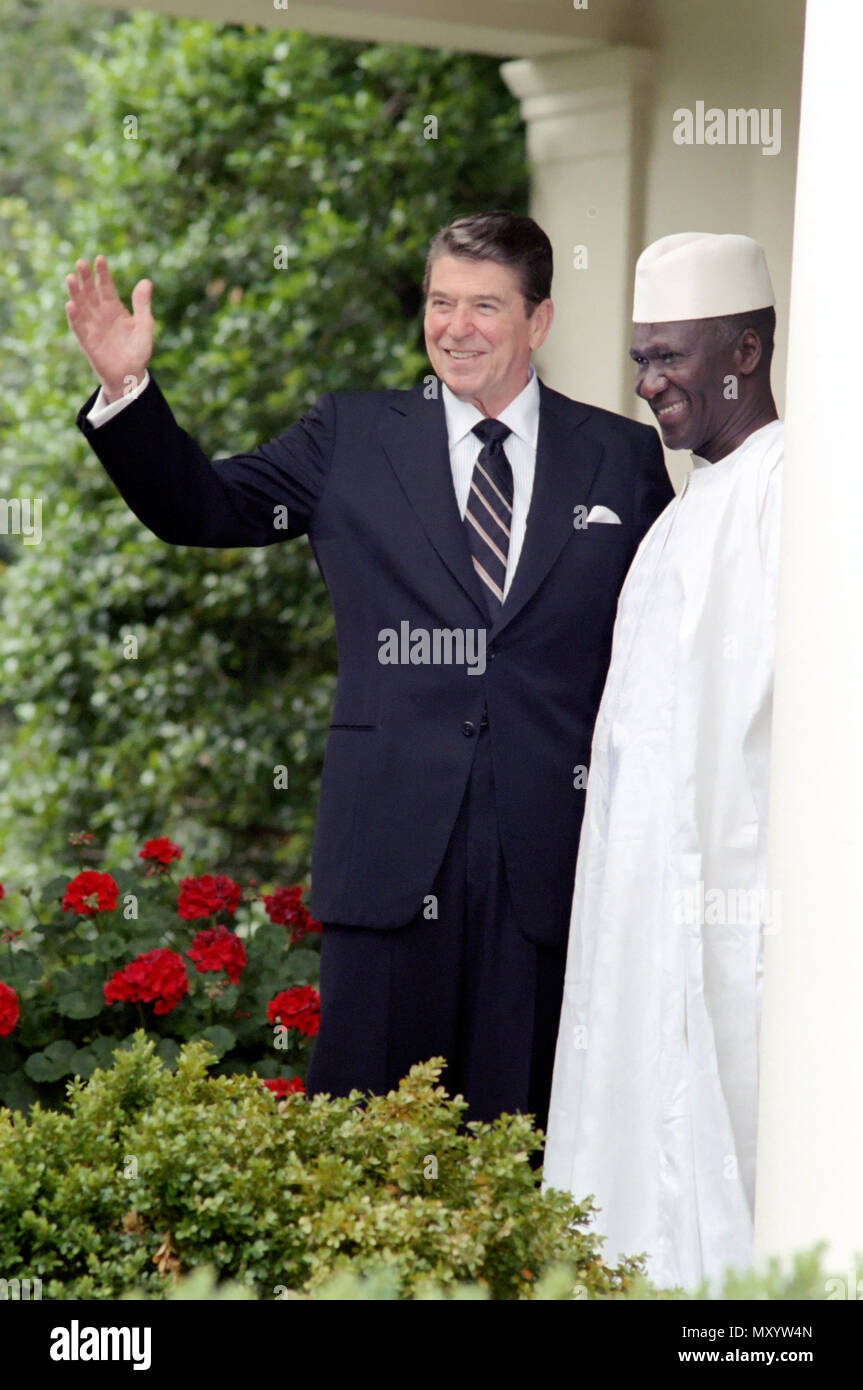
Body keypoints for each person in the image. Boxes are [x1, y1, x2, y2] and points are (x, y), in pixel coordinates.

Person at [66, 211, 672, 1134]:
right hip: (389, 852)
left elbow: (663, 648)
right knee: (362, 1136)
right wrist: (129, 391)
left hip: (550, 865)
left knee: (530, 1143)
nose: (454, 327)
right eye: (439, 302)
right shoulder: (350, 433)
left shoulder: (622, 459)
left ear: (538, 321)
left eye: (483, 306)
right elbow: (204, 507)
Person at [543, 232, 783, 1284]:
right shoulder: (674, 522)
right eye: (639, 359)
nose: (647, 386)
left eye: (670, 357)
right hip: (639, 913)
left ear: (742, 348)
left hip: (734, 909)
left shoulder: (796, 494)